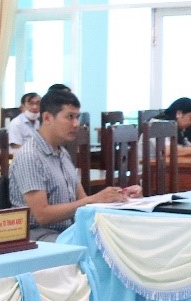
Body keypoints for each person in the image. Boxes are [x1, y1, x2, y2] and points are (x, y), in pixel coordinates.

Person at [13, 89, 139, 241]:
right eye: (70, 117)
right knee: (104, 246)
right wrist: (93, 199)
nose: (76, 124)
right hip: (39, 237)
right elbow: (42, 215)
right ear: (47, 118)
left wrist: (119, 196)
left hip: (69, 230)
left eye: (77, 117)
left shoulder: (62, 153)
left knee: (124, 237)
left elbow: (83, 201)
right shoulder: (30, 156)